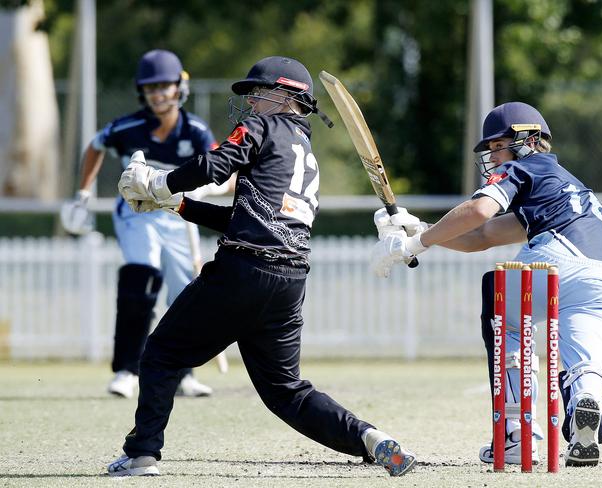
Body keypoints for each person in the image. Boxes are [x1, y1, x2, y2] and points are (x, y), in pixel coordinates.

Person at [106, 56, 416, 477]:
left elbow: (215, 166)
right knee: (286, 391)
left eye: (259, 92)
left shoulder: (263, 127)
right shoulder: (305, 153)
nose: (251, 101)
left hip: (242, 271)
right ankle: (370, 437)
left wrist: (159, 182)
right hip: (289, 282)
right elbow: (247, 216)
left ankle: (142, 455)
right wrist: (177, 204)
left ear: (288, 96)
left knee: (160, 355)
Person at [371, 102, 602, 467]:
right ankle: (590, 400)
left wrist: (412, 246)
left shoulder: (524, 167)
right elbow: (483, 236)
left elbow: (478, 213)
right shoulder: (565, 185)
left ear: (527, 140)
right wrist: (421, 229)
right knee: (587, 362)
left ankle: (516, 436)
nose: (492, 156)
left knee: (503, 306)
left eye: (497, 145)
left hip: (556, 259)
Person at [60, 49, 224, 398]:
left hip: (180, 215)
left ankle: (183, 375)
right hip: (137, 214)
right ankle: (126, 370)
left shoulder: (195, 130)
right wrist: (83, 193)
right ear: (142, 91)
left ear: (180, 87)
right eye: (151, 87)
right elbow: (94, 145)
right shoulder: (128, 127)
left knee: (185, 295)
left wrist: (215, 186)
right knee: (142, 276)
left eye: (165, 85)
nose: (158, 93)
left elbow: (226, 169)